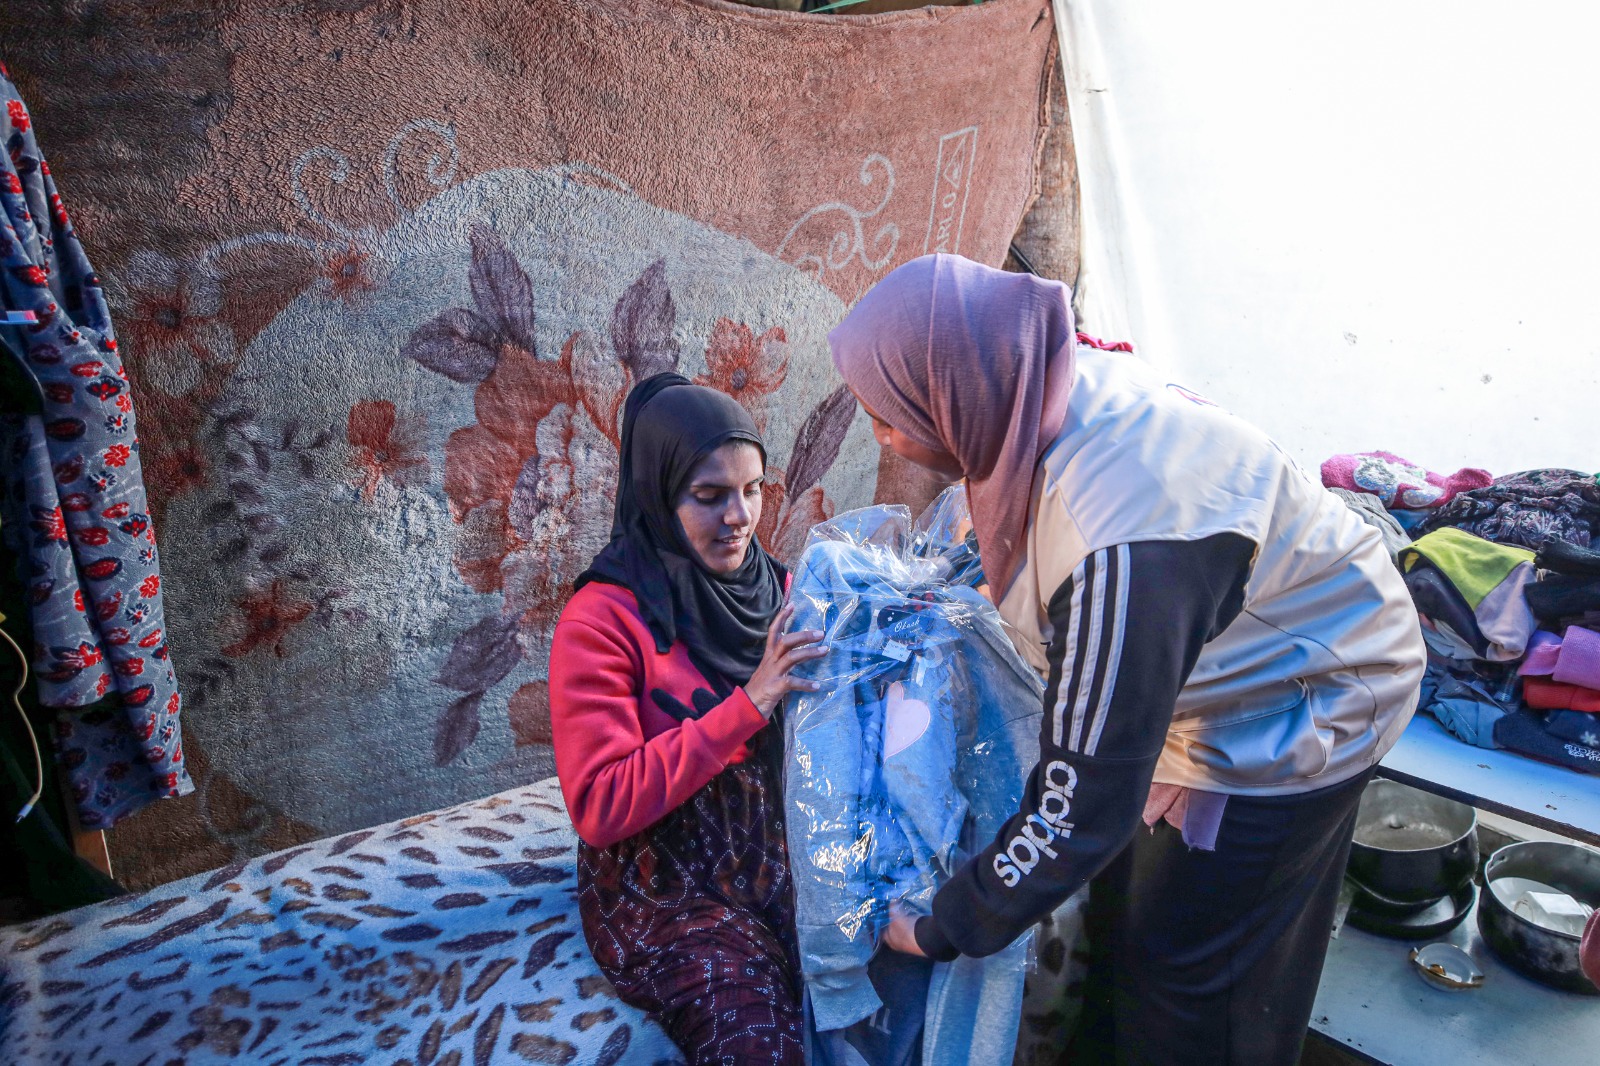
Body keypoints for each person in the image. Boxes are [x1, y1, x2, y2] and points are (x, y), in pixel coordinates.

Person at [827, 253, 1426, 1065]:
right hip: (1232, 652)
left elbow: (1082, 806)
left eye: (890, 416)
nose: (881, 437)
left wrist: (944, 924)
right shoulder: (1039, 390)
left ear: (957, 395)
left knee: (1196, 977)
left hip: (1313, 690)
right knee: (1132, 923)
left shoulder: (1118, 542)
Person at [549, 373, 826, 1066]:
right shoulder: (603, 620)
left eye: (753, 489)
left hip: (787, 853)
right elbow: (600, 805)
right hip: (670, 886)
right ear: (659, 492)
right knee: (755, 1041)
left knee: (888, 978)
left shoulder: (779, 589)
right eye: (709, 496)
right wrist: (748, 705)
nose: (740, 517)